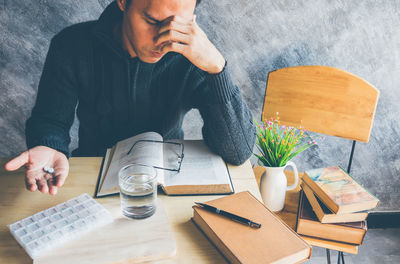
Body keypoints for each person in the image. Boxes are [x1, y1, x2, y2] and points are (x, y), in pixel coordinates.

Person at [5, 0, 256, 195]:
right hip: (91, 181)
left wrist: (217, 69)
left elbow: (238, 150)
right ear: (123, 2)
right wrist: (49, 146)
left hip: (165, 189)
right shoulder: (72, 45)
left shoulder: (192, 56)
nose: (164, 39)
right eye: (152, 20)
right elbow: (50, 120)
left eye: (179, 25)